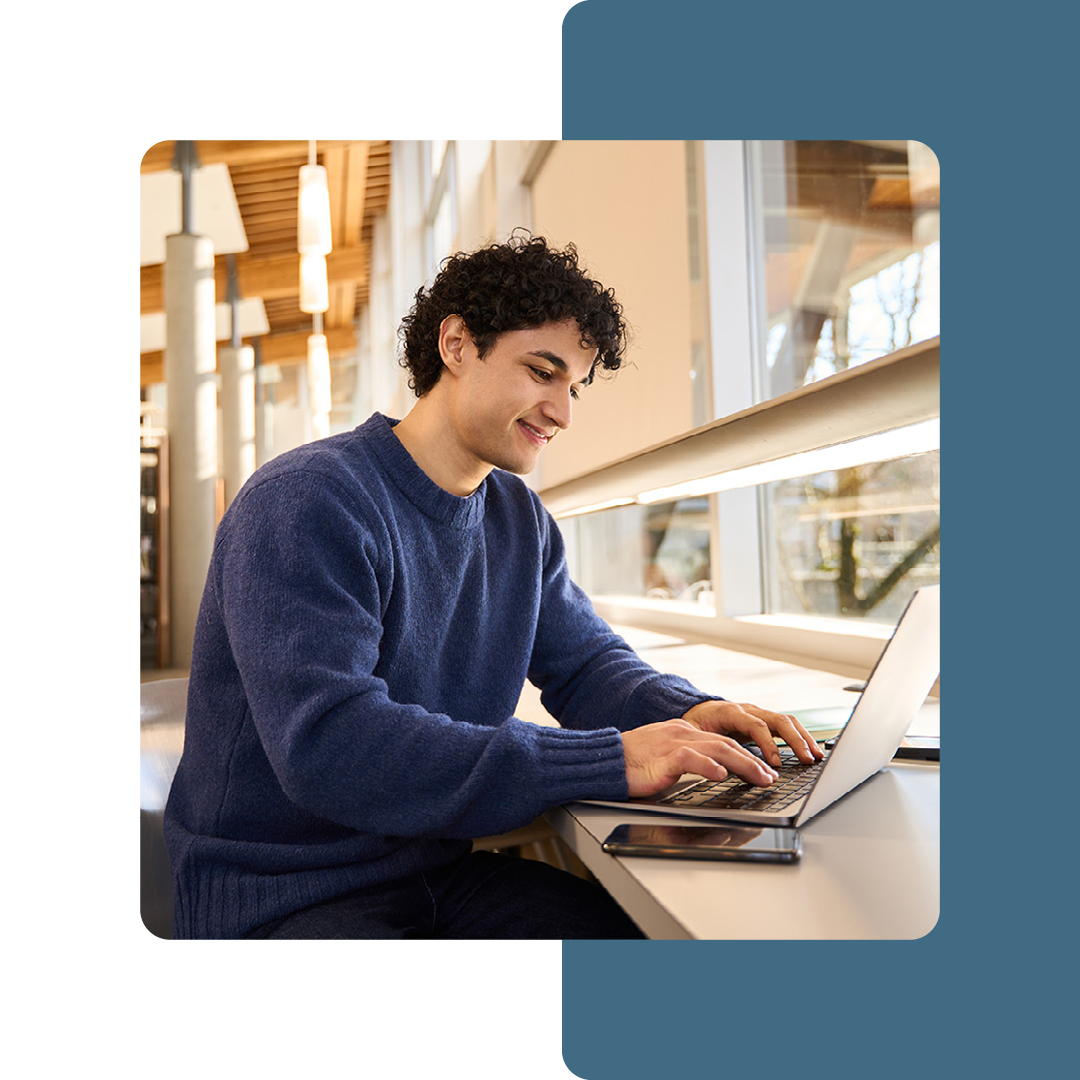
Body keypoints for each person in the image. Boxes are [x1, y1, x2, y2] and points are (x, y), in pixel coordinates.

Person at [163, 233, 822, 940]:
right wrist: (611, 759)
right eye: (543, 372)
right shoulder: (308, 501)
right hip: (286, 894)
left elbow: (587, 665)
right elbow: (330, 746)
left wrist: (692, 715)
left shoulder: (517, 519)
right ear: (456, 345)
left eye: (573, 387)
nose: (563, 412)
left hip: (434, 873)